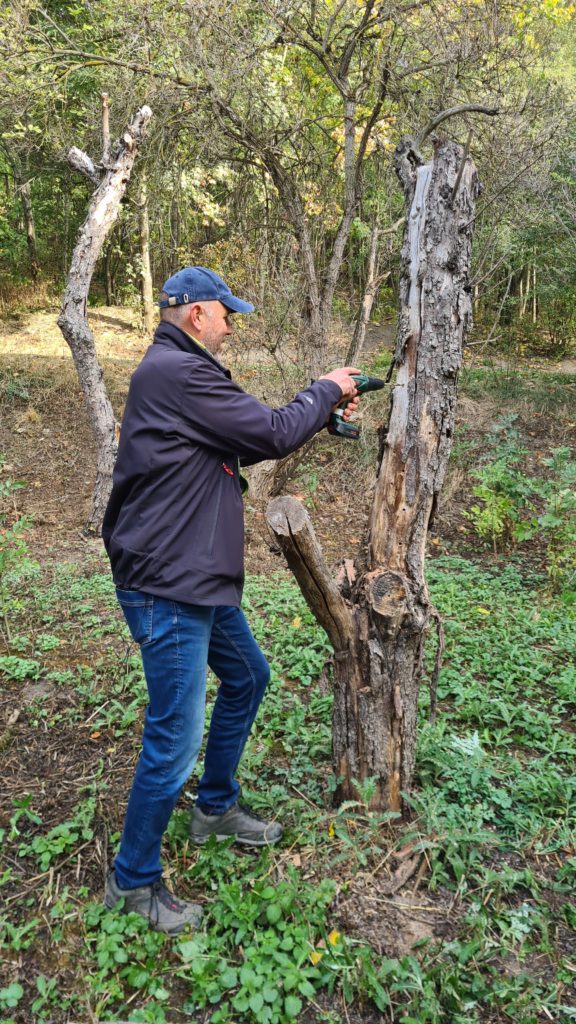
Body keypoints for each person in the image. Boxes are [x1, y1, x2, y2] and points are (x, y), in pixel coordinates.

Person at [101, 266, 360, 935]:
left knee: (248, 676)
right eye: (226, 314)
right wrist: (326, 387)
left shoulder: (181, 373)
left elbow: (242, 440)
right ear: (194, 313)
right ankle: (132, 882)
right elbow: (270, 432)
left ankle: (214, 810)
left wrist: (321, 413)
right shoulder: (177, 373)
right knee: (174, 734)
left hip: (193, 575)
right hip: (168, 580)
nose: (231, 324)